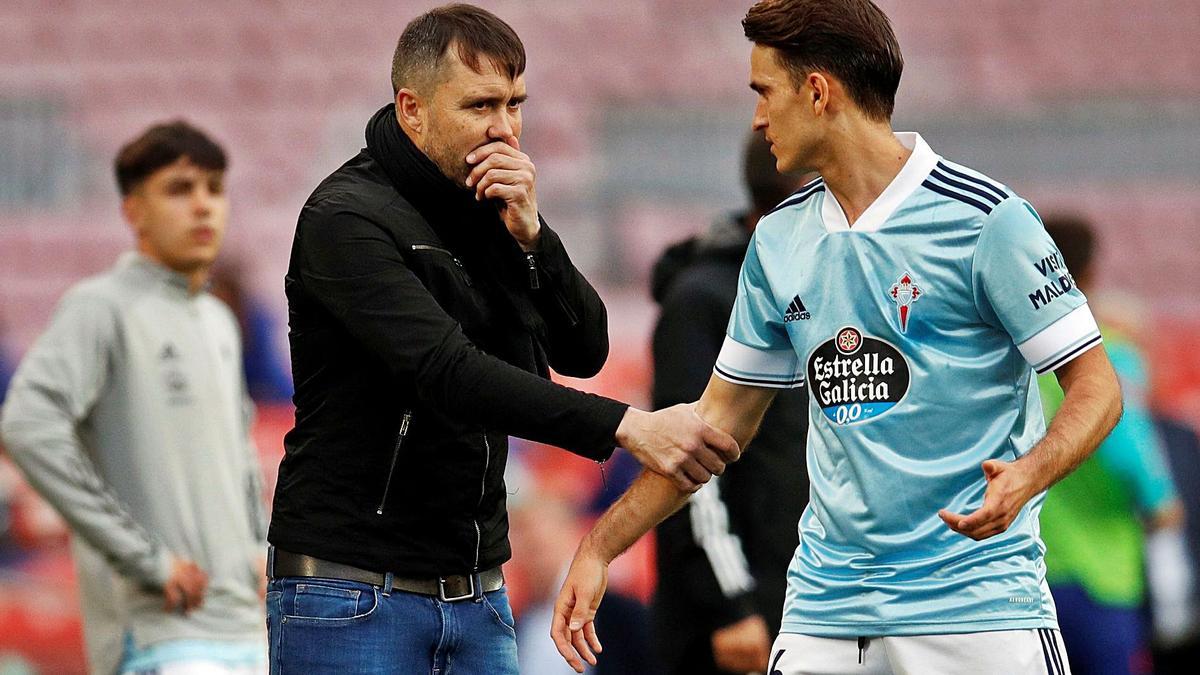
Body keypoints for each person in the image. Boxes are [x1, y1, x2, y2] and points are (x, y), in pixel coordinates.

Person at [552, 1, 1125, 673]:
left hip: (975, 611)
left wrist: (1029, 474)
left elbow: (1098, 386)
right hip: (825, 613)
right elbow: (710, 429)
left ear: (817, 91)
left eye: (764, 92)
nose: (758, 117)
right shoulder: (778, 241)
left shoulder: (988, 221)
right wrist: (599, 548)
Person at [265, 4, 739, 674]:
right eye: (481, 104)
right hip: (351, 588)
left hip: (478, 589)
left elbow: (584, 349)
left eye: (516, 103)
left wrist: (533, 239)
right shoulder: (344, 218)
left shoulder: (488, 203)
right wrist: (628, 426)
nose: (506, 129)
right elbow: (450, 372)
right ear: (412, 108)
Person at [0, 121, 268, 675]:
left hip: (244, 626)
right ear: (134, 210)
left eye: (214, 189)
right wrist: (144, 558)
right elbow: (28, 425)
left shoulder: (219, 320)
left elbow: (237, 455)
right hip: (161, 633)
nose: (203, 207)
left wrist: (259, 548)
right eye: (179, 189)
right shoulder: (101, 308)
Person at [649, 132, 809, 675]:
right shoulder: (703, 301)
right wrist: (732, 605)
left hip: (807, 607)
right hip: (737, 625)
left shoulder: (815, 289)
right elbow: (686, 463)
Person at [1037, 215, 1188, 675]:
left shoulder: (1012, 361)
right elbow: (1129, 449)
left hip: (1027, 575)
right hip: (1098, 578)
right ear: (1088, 275)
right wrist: (1162, 504)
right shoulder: (1104, 359)